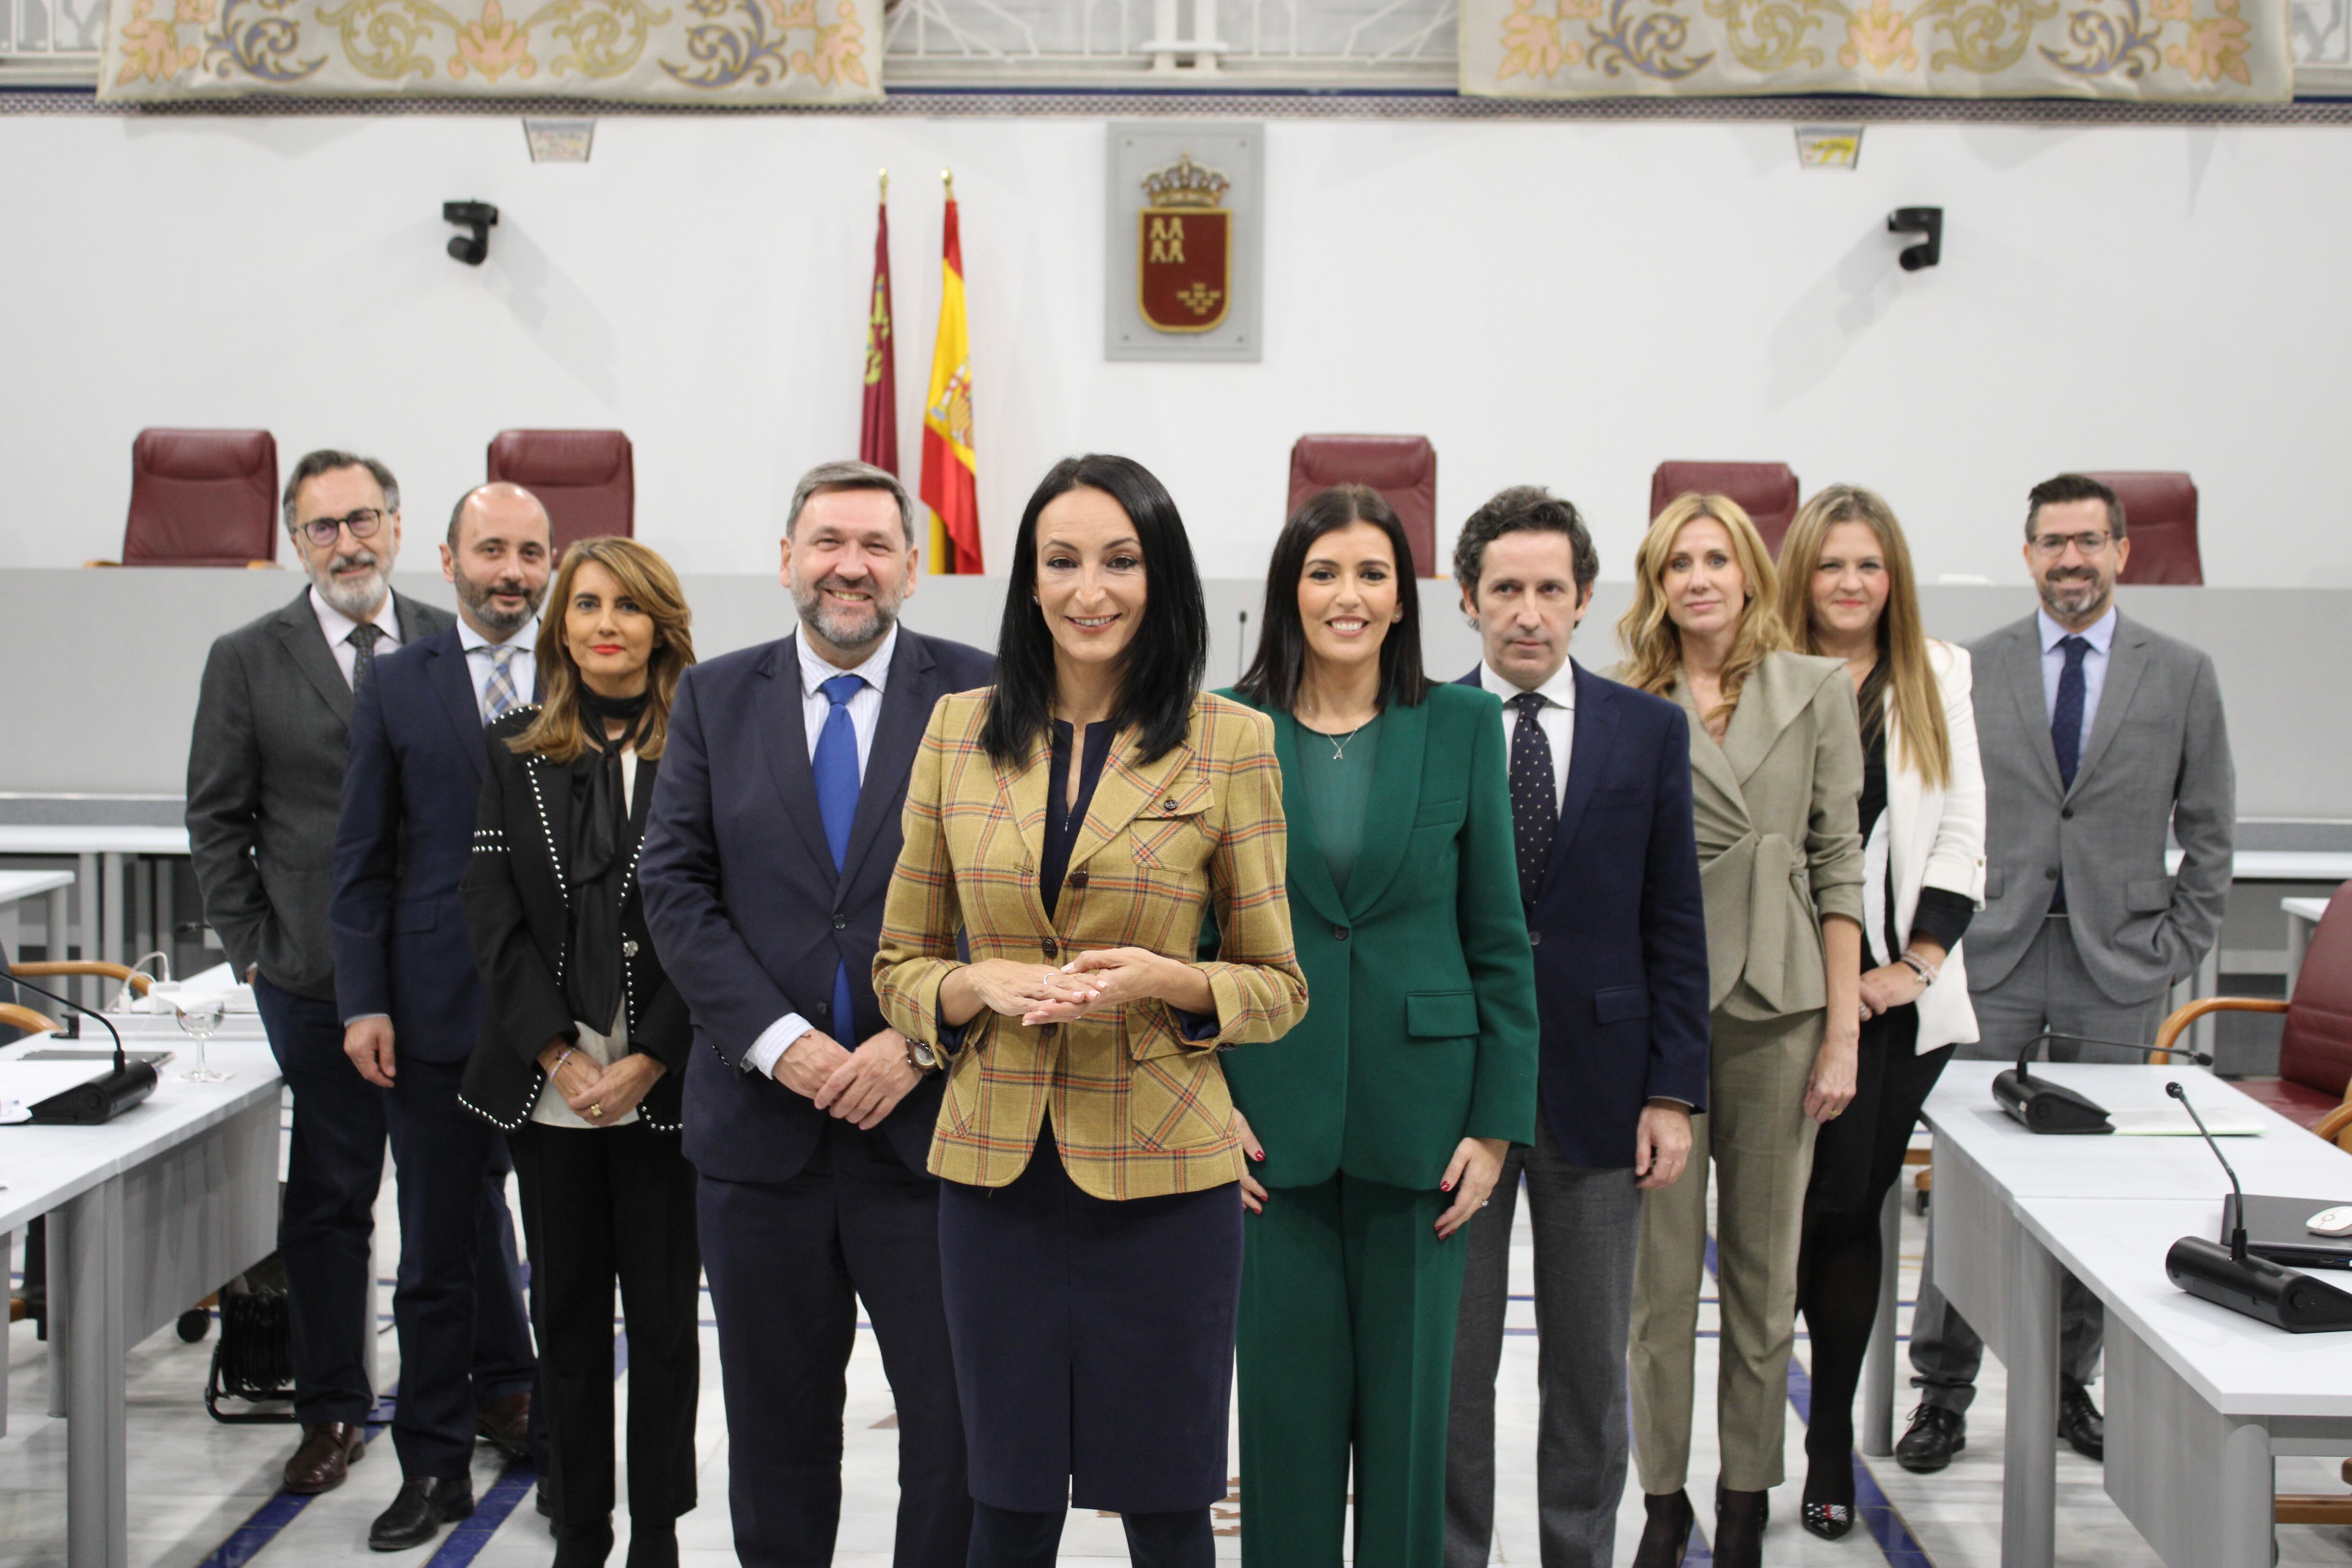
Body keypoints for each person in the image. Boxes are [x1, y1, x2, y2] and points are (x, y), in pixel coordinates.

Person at [871, 454, 1309, 1568]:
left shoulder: (1232, 741)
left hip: (1167, 1179)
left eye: (1120, 560)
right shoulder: (955, 730)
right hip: (995, 1176)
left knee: (1167, 1506)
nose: (1089, 589)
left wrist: (1170, 980)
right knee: (1004, 1504)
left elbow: (1277, 982)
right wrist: (974, 985)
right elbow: (900, 966)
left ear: (1160, 577)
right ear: (1026, 582)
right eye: (1061, 561)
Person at [637, 461, 992, 1568]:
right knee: (776, 1432)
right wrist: (782, 1045)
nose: (852, 565)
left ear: (913, 569)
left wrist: (918, 1036)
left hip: (929, 1131)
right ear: (786, 557)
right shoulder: (712, 695)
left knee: (955, 1432)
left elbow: (1017, 891)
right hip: (761, 1137)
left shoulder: (983, 698)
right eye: (828, 541)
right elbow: (675, 887)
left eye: (877, 545)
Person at [1216, 484, 1538, 1568]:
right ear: (1286, 590)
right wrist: (1207, 1109)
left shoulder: (1460, 723)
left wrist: (1496, 1126)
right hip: (1269, 1129)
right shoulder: (1223, 724)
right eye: (1322, 572)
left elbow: (1497, 936)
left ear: (1405, 599)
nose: (1346, 595)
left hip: (1425, 1131)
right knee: (1282, 1436)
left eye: (1370, 574)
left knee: (1411, 1443)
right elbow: (1191, 943)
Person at [1897, 473, 2234, 1472]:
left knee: (2099, 1187)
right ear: (2027, 552)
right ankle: (1940, 1393)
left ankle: (2063, 1388)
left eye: (2088, 540)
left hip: (2118, 964)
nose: (2070, 559)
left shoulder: (2180, 672)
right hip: (1990, 957)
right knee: (1963, 1178)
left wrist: (2175, 946)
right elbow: (1937, 805)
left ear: (2122, 550)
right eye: (2052, 542)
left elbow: (2211, 831)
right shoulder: (1970, 666)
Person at [1440, 486, 1709, 1568]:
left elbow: (1674, 920)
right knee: (1454, 1366)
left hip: (1604, 1090)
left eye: (1550, 589)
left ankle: (1577, 1553)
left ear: (1585, 599)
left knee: (1591, 1364)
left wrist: (1673, 1088)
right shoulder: (1426, 723)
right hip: (1455, 1093)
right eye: (1504, 588)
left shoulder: (1647, 730)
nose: (1527, 612)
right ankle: (1454, 1552)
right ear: (1466, 599)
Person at [185, 450, 453, 1497]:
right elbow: (217, 816)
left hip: (441, 975)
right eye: (321, 527)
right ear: (295, 542)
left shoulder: (448, 638)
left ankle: (489, 1386)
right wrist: (253, 943)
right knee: (333, 1198)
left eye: (362, 520)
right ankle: (332, 1408)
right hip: (310, 975)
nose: (346, 542)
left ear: (395, 524)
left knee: (460, 1196)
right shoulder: (247, 657)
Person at [1619, 493, 1865, 1568]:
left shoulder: (1813, 688)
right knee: (1658, 1286)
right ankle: (1662, 1496)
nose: (1701, 577)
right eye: (1680, 562)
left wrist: (1845, 1029)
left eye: (1719, 557)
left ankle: (1743, 1494)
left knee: (1766, 1277)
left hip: (1782, 1004)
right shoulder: (1630, 700)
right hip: (1660, 1019)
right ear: (1656, 582)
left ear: (1753, 573)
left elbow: (1838, 859)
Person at [463, 537, 702, 1568]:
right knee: (564, 1317)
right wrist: (558, 1052)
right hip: (552, 1081)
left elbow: (715, 919)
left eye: (628, 606)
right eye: (586, 605)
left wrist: (648, 1054)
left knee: (661, 1323)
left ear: (662, 624)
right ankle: (582, 1521)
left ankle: (654, 1531)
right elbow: (492, 917)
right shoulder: (516, 745)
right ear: (561, 625)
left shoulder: (705, 741)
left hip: (664, 1081)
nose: (606, 623)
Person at [329, 483, 551, 1547]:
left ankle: (569, 1450)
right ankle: (431, 1465)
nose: (512, 569)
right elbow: (363, 857)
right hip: (431, 1010)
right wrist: (364, 998)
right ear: (451, 559)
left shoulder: (588, 664)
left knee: (569, 1249)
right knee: (433, 1256)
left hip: (570, 1018)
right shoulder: (395, 681)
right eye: (492, 549)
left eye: (530, 552)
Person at [1774, 487, 1986, 1537]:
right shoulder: (1763, 668)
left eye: (1868, 564)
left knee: (1852, 1211)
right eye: (1830, 564)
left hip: (1896, 1000)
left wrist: (1909, 965)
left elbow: (1961, 832)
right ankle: (1761, 1432)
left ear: (1891, 577)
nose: (1850, 583)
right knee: (1790, 1215)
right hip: (1780, 991)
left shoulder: (1938, 673)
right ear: (1801, 574)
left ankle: (1825, 1447)